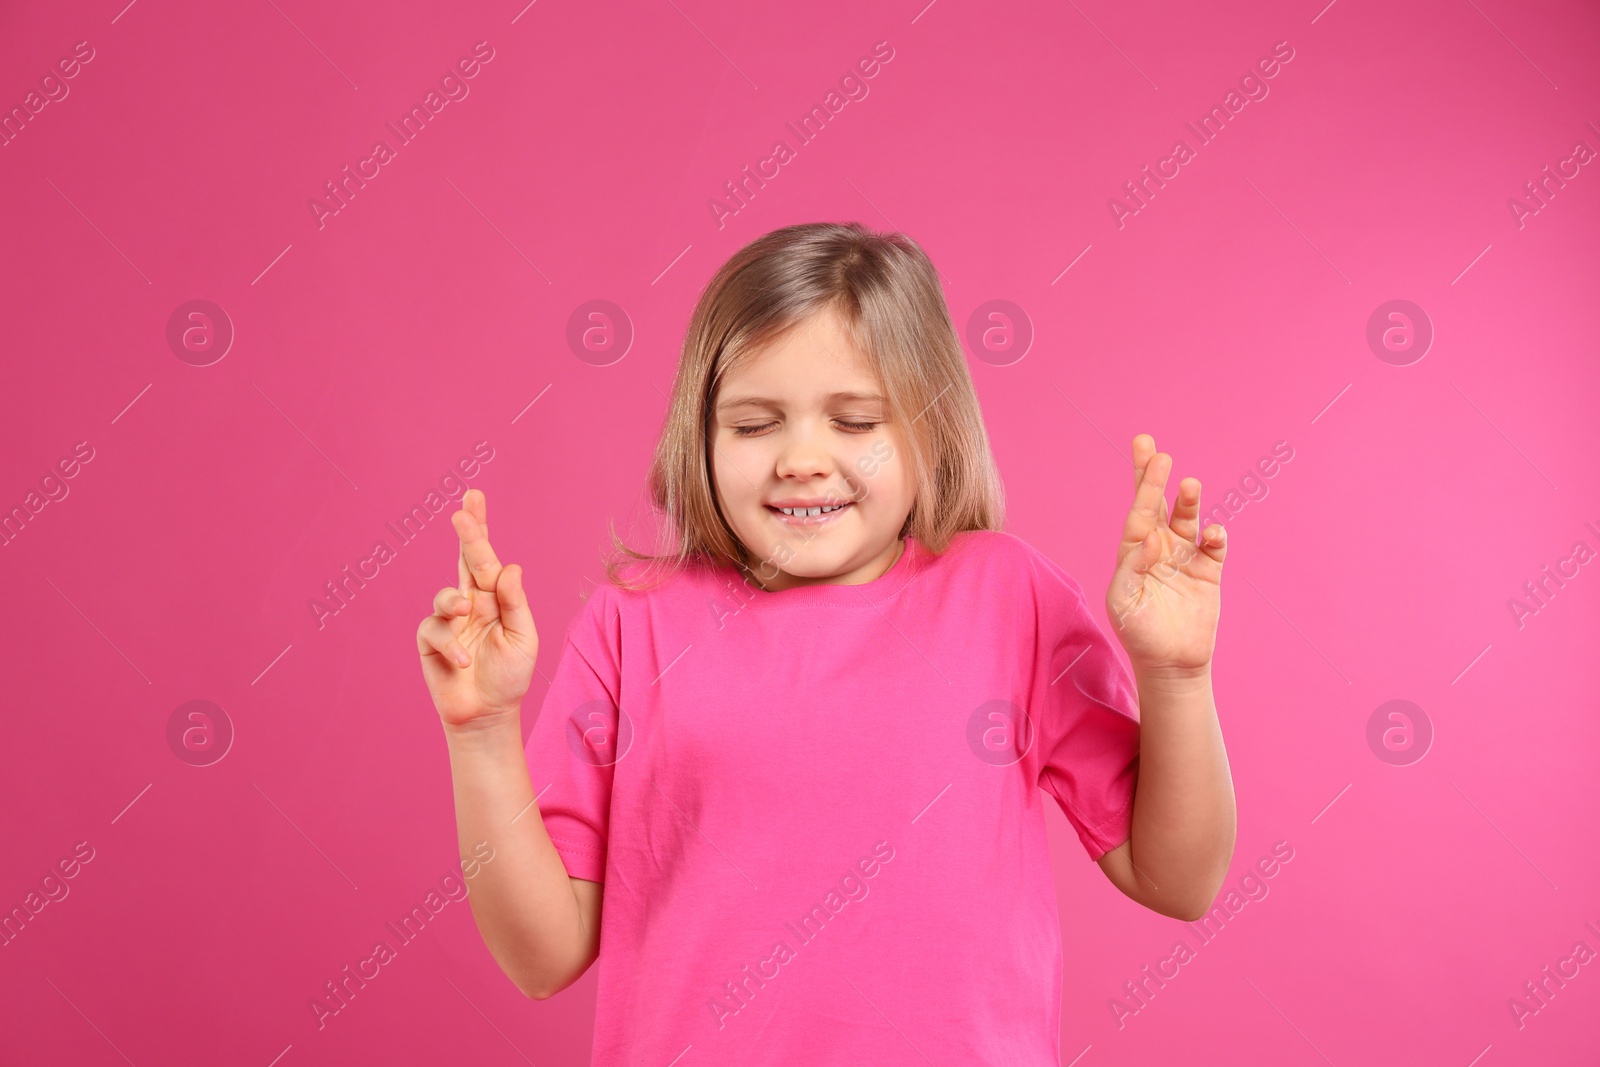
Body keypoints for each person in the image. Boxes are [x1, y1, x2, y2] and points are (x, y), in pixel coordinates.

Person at [416, 222, 1235, 1064]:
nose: (803, 459)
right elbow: (542, 956)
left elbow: (1179, 878)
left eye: (853, 421)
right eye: (753, 424)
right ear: (699, 436)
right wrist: (480, 735)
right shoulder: (634, 623)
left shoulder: (1007, 595)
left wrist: (1176, 677)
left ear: (930, 426)